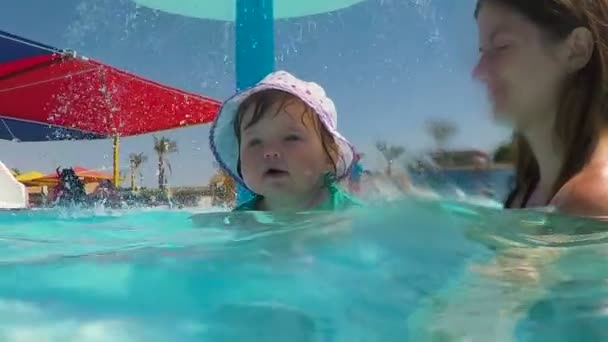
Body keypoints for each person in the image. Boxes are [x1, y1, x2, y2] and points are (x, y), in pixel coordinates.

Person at [473, 0, 608, 217]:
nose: (478, 72)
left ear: (576, 50)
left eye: (501, 47)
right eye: (482, 52)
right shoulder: (526, 191)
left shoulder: (591, 200)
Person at [209, 70, 360, 212]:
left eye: (291, 138)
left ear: (330, 156)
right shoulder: (240, 222)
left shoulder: (349, 216)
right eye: (255, 142)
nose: (269, 152)